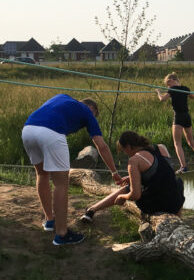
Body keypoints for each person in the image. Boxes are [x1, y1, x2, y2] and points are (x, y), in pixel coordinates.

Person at [22, 94, 123, 245]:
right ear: (91, 108)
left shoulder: (61, 98)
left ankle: (49, 221)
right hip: (51, 133)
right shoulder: (87, 111)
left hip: (28, 129)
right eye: (94, 114)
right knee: (61, 184)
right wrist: (114, 172)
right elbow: (101, 146)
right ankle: (62, 234)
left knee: (42, 174)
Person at [80, 131, 185, 222]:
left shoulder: (134, 161)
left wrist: (122, 197)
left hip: (157, 205)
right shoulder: (161, 147)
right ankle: (178, 217)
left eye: (124, 150)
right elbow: (164, 173)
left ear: (129, 146)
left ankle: (92, 210)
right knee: (178, 183)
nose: (126, 154)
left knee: (129, 188)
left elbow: (135, 195)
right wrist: (132, 178)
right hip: (175, 203)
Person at [156, 73, 194, 173]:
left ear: (172, 80)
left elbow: (162, 99)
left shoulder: (172, 90)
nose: (167, 86)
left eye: (168, 83)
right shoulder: (185, 88)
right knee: (191, 142)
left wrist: (158, 92)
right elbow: (192, 97)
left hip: (178, 116)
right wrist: (186, 93)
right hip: (187, 116)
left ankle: (183, 166)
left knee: (177, 143)